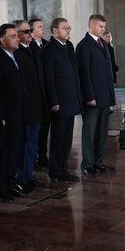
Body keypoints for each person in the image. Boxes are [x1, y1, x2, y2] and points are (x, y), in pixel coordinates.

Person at [0, 23, 26, 201]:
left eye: (17, 36)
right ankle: (0, 188)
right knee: (3, 153)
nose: (17, 38)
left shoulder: (13, 57)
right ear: (2, 40)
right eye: (13, 36)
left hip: (17, 114)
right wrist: (0, 116)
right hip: (5, 116)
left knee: (14, 150)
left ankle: (10, 184)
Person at [43, 18, 83, 182]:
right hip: (59, 101)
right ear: (54, 30)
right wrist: (54, 101)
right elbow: (49, 78)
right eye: (65, 28)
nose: (68, 30)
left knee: (67, 139)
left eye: (69, 27)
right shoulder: (49, 50)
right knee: (58, 138)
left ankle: (63, 169)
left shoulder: (69, 46)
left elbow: (74, 73)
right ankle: (55, 171)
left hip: (71, 99)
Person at [76, 14, 116, 176]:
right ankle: (87, 164)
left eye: (104, 26)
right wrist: (89, 96)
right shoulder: (84, 46)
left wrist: (110, 45)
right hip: (92, 99)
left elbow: (110, 67)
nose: (103, 29)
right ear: (91, 26)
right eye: (100, 26)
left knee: (102, 132)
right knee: (90, 132)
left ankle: (99, 162)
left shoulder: (103, 44)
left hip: (105, 96)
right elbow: (84, 73)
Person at [14, 20, 48, 190]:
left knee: (33, 144)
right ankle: (21, 177)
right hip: (25, 109)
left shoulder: (34, 49)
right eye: (24, 31)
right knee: (24, 144)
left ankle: (29, 175)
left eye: (29, 31)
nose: (28, 34)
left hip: (37, 107)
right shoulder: (17, 53)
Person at [29, 18, 50, 169]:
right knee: (37, 129)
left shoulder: (47, 45)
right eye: (39, 27)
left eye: (43, 26)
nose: (43, 28)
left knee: (45, 130)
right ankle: (36, 158)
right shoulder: (29, 47)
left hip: (47, 94)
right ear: (32, 30)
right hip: (36, 94)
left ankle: (43, 156)